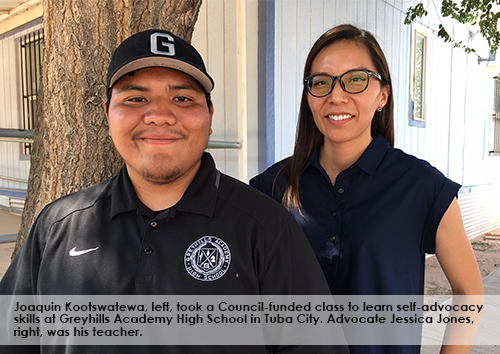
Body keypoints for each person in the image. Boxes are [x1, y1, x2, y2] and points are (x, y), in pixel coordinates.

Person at [0, 29, 337, 354]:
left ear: (209, 116)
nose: (159, 115)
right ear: (107, 115)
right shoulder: (57, 228)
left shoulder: (265, 229)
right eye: (136, 98)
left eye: (182, 98)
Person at [250, 24, 484, 353]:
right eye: (321, 82)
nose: (336, 96)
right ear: (309, 96)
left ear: (382, 96)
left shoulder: (421, 186)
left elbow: (469, 292)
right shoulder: (272, 187)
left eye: (355, 79)